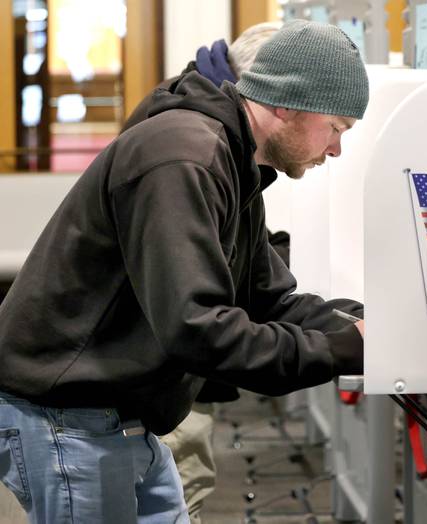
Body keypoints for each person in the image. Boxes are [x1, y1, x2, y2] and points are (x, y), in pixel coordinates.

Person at [0, 20, 368, 524]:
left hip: (119, 415)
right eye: (336, 128)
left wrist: (365, 326)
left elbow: (266, 299)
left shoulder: (237, 160)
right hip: (68, 418)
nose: (336, 149)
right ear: (287, 103)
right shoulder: (185, 157)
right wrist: (339, 350)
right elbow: (199, 329)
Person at [124, 22, 290, 523]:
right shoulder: (193, 145)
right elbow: (193, 315)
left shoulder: (205, 123)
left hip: (158, 377)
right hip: (151, 376)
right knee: (186, 483)